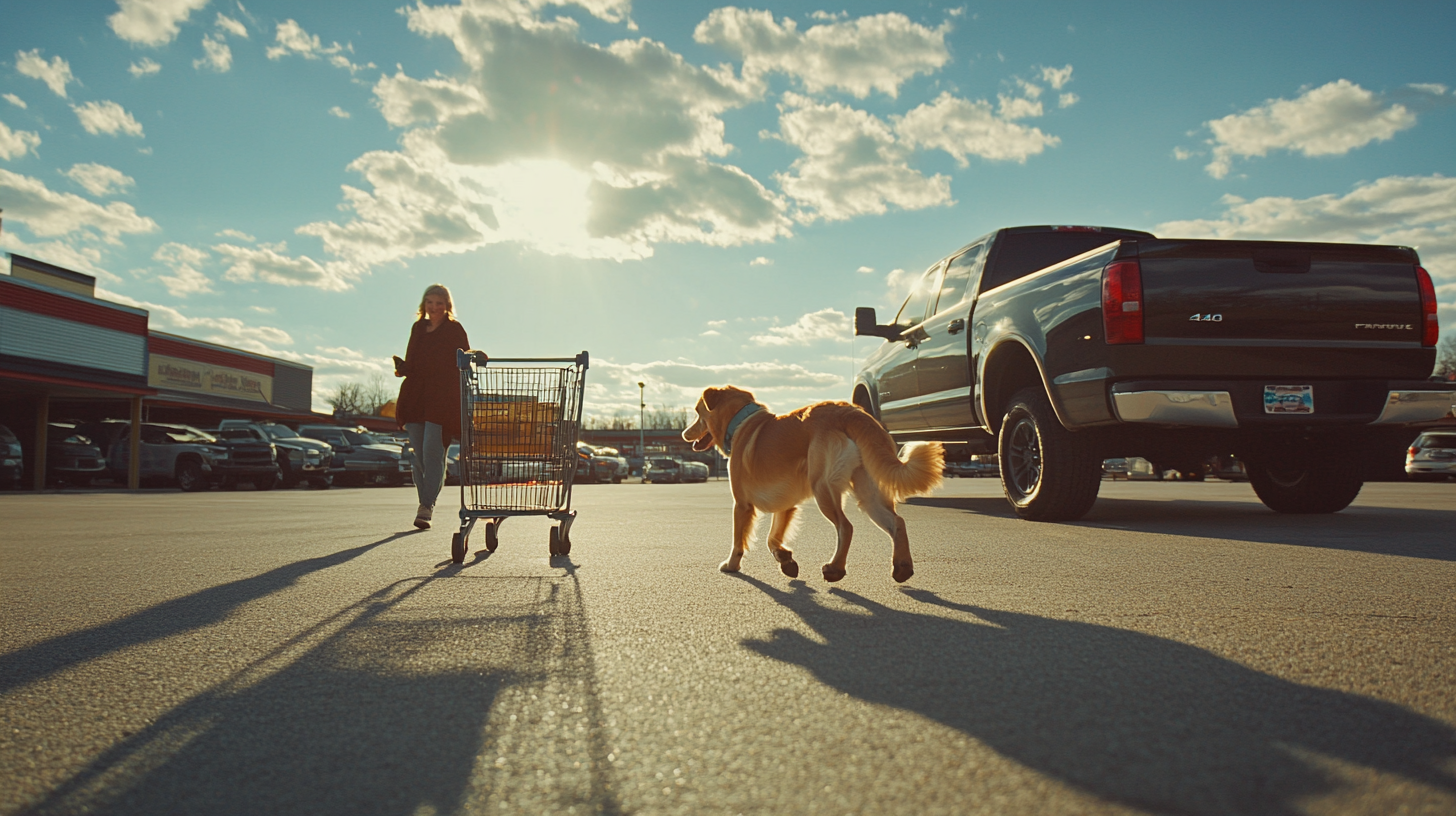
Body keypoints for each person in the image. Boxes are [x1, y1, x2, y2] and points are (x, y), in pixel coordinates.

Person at [393, 284, 470, 529]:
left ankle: (426, 506)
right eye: (430, 302)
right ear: (423, 305)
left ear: (447, 305)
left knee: (433, 453)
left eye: (439, 303)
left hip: (441, 400)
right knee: (422, 458)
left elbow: (465, 356)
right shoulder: (418, 328)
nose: (434, 308)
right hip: (416, 397)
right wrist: (403, 368)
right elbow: (413, 360)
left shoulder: (454, 329)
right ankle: (425, 501)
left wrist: (478, 356)